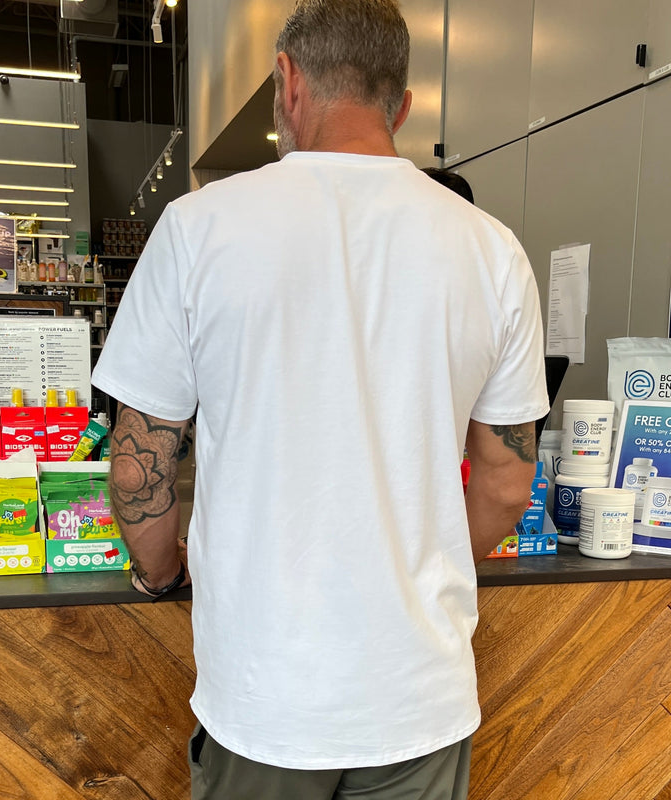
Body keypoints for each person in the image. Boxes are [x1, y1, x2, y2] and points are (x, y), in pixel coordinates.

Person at [91, 1, 549, 797]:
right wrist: (418, 568)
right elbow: (509, 482)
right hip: (419, 696)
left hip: (267, 697)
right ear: (401, 105)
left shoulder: (198, 229)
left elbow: (139, 474)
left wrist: (163, 575)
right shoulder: (491, 250)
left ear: (287, 80)